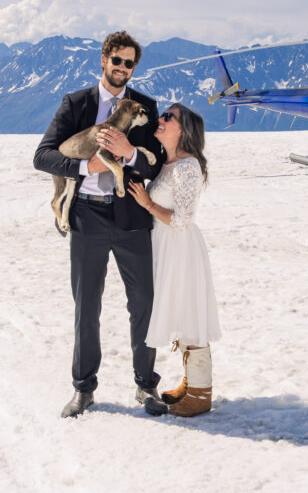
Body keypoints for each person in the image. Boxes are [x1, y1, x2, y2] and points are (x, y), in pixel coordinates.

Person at [33, 30, 164, 418]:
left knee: (144, 304)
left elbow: (155, 160)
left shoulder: (145, 107)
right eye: (117, 60)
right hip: (87, 214)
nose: (123, 68)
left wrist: (130, 154)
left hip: (131, 216)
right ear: (103, 60)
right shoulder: (77, 103)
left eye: (130, 63)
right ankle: (83, 389)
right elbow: (42, 156)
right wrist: (83, 166)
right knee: (86, 306)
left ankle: (146, 386)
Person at [128, 103, 220, 417]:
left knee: (189, 313)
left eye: (169, 117)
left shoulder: (187, 166)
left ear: (183, 130)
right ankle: (190, 382)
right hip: (164, 247)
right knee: (179, 313)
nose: (162, 119)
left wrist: (146, 203)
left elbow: (183, 219)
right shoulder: (168, 164)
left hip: (180, 249)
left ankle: (201, 393)